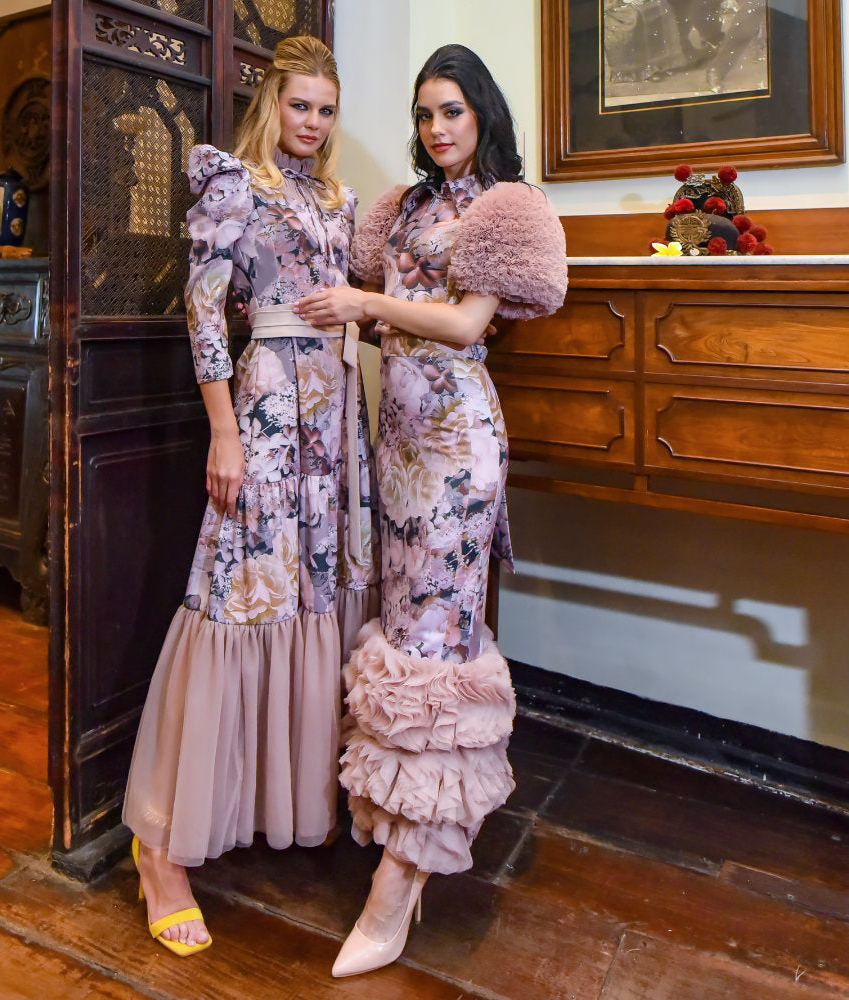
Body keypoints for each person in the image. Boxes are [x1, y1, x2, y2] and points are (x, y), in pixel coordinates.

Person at [295, 43, 568, 978]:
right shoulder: (406, 207)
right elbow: (394, 321)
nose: (437, 127)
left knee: (439, 646)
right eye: (424, 113)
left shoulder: (502, 208)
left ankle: (402, 879)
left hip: (458, 448)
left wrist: (363, 301)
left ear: (482, 111)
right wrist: (355, 314)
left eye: (452, 109)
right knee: (403, 633)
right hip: (400, 445)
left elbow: (461, 324)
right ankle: (398, 830)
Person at [121, 34, 378, 958]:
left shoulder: (340, 200)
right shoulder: (235, 185)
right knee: (235, 598)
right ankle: (160, 850)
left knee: (314, 600)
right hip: (267, 407)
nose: (312, 122)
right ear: (271, 104)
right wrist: (224, 431)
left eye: (326, 109)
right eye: (299, 104)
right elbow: (202, 311)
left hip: (337, 415)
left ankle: (289, 803)